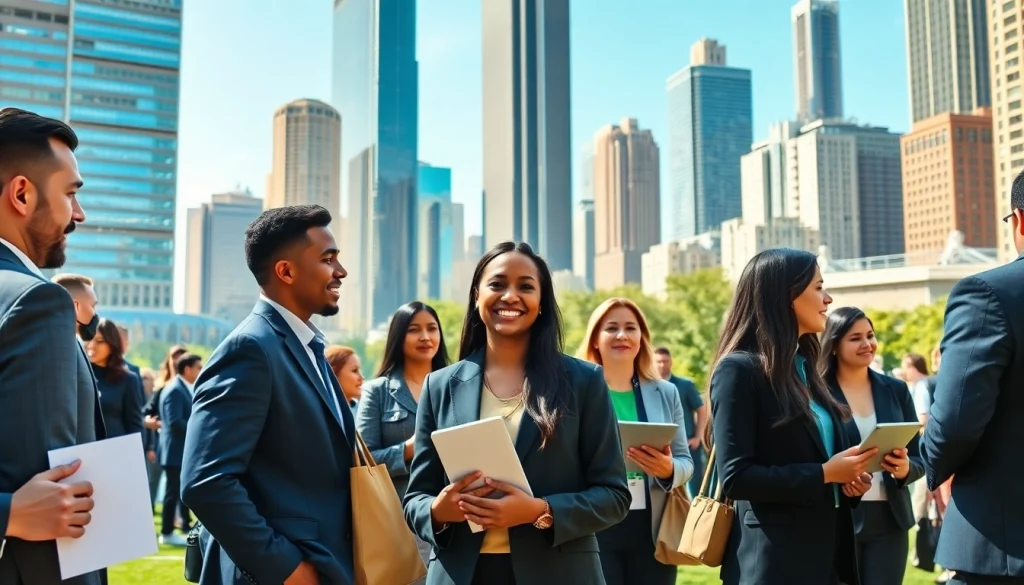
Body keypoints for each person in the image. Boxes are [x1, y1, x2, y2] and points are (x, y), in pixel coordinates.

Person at [403, 241, 631, 585]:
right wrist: (437, 511)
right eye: (497, 284)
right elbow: (415, 499)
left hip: (559, 573)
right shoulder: (439, 385)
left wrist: (541, 511)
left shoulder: (583, 381)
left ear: (541, 304)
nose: (510, 296)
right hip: (462, 574)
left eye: (526, 286)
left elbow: (614, 496)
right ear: (477, 295)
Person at [181, 204, 355, 585]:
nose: (341, 272)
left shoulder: (308, 347)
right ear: (286, 271)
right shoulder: (251, 348)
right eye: (328, 260)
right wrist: (286, 569)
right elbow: (205, 481)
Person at [708, 248, 875, 585]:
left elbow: (820, 463)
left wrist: (850, 483)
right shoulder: (739, 371)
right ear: (785, 295)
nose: (827, 299)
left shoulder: (808, 369)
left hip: (831, 557)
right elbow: (736, 477)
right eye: (818, 287)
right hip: (774, 563)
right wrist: (825, 474)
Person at [0, 107, 103, 584]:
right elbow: (56, 508)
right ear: (22, 193)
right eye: (71, 193)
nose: (79, 213)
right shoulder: (38, 302)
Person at [921, 170, 1024, 585]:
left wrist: (927, 464)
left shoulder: (988, 293)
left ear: (1019, 219)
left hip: (1003, 545)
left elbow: (958, 421)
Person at [578, 299, 692, 585]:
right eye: (611, 328)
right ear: (595, 340)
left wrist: (668, 470)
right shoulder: (575, 391)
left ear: (641, 339)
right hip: (596, 523)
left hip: (652, 527)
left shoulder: (667, 393)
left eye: (631, 328)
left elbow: (685, 461)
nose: (622, 335)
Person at [820, 307, 923, 585]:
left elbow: (920, 457)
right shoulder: (815, 392)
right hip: (836, 518)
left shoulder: (896, 390)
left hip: (891, 521)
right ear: (833, 345)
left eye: (870, 335)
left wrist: (904, 470)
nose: (867, 344)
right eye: (855, 338)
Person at [357, 301, 450, 573]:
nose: (425, 337)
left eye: (432, 328)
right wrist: (410, 448)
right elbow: (365, 460)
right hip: (398, 521)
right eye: (414, 329)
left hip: (454, 519)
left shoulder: (458, 384)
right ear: (399, 336)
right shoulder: (378, 391)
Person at [158, 353, 201, 546]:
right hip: (174, 451)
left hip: (178, 451)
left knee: (175, 492)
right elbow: (174, 421)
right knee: (171, 493)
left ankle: (172, 529)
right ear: (187, 369)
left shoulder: (183, 388)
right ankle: (166, 532)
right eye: (198, 367)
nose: (200, 371)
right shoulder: (175, 390)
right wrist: (199, 427)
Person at [653, 346, 706, 496]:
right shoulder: (647, 386)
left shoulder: (685, 385)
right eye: (658, 361)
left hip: (688, 444)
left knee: (694, 491)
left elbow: (701, 409)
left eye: (665, 361)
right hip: (660, 447)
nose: (662, 365)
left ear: (671, 362)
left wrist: (698, 437)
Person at [85, 318, 145, 440]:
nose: (91, 345)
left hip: (115, 452)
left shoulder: (128, 380)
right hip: (81, 454)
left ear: (112, 344)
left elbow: (135, 426)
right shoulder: (77, 377)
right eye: (89, 339)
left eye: (99, 341)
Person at [325, 345, 364, 414]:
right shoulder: (323, 414)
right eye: (354, 370)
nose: (362, 377)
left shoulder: (363, 411)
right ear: (334, 374)